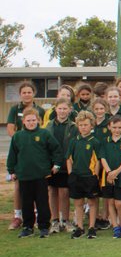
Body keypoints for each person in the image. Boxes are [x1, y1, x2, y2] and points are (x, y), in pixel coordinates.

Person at [7, 108, 62, 238]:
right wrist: (12, 171)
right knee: (26, 203)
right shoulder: (17, 136)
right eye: (28, 120)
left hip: (41, 175)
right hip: (24, 176)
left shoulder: (44, 134)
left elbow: (56, 150)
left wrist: (57, 164)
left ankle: (43, 227)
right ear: (23, 121)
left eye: (33, 120)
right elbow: (12, 155)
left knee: (42, 202)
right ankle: (28, 227)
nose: (31, 123)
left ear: (38, 120)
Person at [6, 81, 46, 231]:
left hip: (37, 152)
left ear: (34, 93)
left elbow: (42, 130)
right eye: (24, 92)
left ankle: (36, 216)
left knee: (37, 187)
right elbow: (10, 129)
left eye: (29, 92)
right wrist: (23, 139)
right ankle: (18, 216)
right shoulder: (14, 109)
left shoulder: (40, 110)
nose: (27, 94)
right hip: (20, 150)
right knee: (19, 186)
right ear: (20, 94)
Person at [66, 111, 102, 239]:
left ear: (91, 125)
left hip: (90, 176)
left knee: (92, 203)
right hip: (76, 176)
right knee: (78, 203)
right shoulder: (74, 141)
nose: (83, 127)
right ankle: (80, 227)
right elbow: (69, 158)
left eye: (86, 125)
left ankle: (92, 227)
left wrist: (95, 176)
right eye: (81, 125)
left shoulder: (95, 142)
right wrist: (71, 174)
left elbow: (98, 160)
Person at [99, 114, 121, 239]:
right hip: (107, 177)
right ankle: (115, 227)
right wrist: (109, 172)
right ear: (109, 127)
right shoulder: (104, 141)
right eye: (114, 127)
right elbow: (102, 157)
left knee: (119, 203)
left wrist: (116, 172)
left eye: (120, 127)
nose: (117, 130)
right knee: (110, 202)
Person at [44, 98, 76, 233]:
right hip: (51, 165)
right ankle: (55, 220)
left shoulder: (73, 127)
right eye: (60, 108)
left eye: (65, 108)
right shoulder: (48, 126)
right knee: (52, 191)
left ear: (69, 110)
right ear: (55, 109)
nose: (62, 111)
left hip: (65, 164)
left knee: (64, 192)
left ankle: (66, 220)